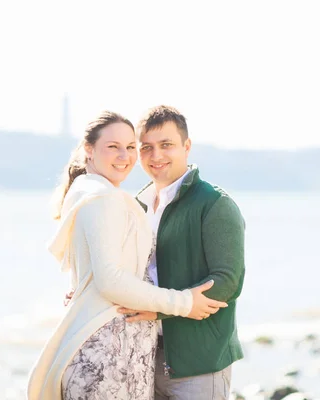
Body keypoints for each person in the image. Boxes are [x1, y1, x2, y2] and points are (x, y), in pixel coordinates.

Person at [27, 111, 227, 400]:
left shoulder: (87, 193)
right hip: (110, 358)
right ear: (88, 150)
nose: (125, 156)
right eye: (112, 147)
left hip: (107, 351)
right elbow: (112, 281)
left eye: (131, 147)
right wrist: (183, 303)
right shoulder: (103, 198)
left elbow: (99, 275)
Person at [116, 106, 245, 400]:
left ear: (186, 147)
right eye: (146, 147)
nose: (156, 156)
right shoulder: (136, 206)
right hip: (143, 357)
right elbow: (121, 272)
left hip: (199, 362)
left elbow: (227, 282)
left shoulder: (214, 203)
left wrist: (159, 309)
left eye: (166, 145)